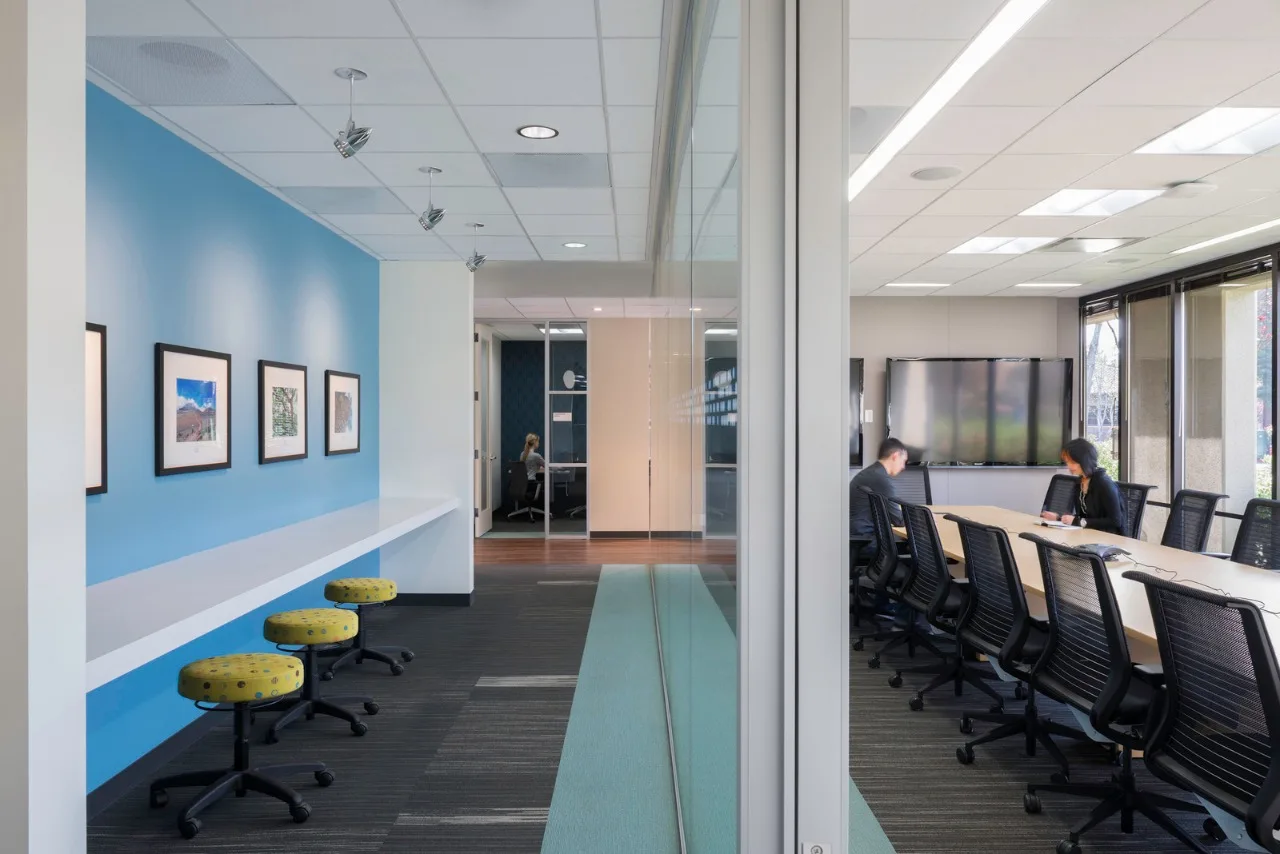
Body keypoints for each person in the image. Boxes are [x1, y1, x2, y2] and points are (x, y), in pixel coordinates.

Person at [1041, 438, 1127, 534]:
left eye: (1073, 462)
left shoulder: (1104, 483)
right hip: (1090, 534)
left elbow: (1115, 521)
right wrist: (1059, 518)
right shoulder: (1080, 482)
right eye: (1067, 462)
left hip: (1108, 538)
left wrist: (1078, 522)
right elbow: (1084, 517)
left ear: (1085, 461)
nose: (1069, 466)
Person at [850, 437, 909, 540]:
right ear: (895, 456)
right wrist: (924, 518)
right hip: (866, 538)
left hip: (859, 534)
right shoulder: (881, 479)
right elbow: (898, 520)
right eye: (903, 461)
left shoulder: (873, 472)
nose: (903, 466)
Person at [520, 434, 547, 524]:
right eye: (538, 441)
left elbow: (527, 467)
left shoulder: (522, 454)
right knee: (545, 485)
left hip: (523, 485)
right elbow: (547, 466)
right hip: (531, 484)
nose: (538, 443)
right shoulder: (536, 455)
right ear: (535, 442)